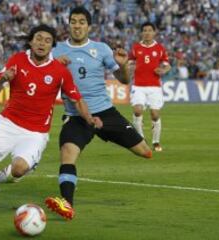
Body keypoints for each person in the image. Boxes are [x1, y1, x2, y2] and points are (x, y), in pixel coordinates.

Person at [0, 24, 102, 218]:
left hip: (35, 133)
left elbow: (76, 99)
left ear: (52, 46)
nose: (42, 43)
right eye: (38, 38)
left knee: (19, 170)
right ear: (30, 41)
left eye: (47, 41)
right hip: (6, 124)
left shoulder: (59, 71)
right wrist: (3, 79)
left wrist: (89, 118)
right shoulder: (17, 60)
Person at [44, 7, 153, 220]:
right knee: (68, 153)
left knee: (145, 152)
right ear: (69, 24)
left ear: (89, 26)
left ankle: (106, 133)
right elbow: (43, 78)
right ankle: (67, 205)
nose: (77, 25)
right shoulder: (55, 51)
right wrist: (54, 66)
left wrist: (123, 66)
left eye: (81, 22)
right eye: (73, 21)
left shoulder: (101, 48)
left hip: (105, 112)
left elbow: (124, 80)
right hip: (75, 114)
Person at [129, 22, 171, 152]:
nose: (147, 33)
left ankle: (156, 141)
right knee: (137, 110)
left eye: (149, 30)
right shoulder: (136, 47)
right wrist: (130, 69)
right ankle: (140, 139)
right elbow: (130, 62)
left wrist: (163, 71)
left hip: (154, 87)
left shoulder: (159, 48)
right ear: (142, 33)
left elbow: (167, 65)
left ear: (154, 32)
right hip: (138, 85)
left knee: (155, 114)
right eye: (145, 30)